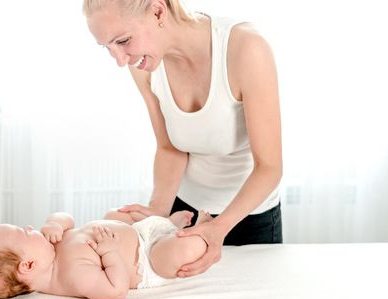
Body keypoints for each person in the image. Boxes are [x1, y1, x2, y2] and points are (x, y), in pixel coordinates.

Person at [83, 0, 283, 278]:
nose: (120, 60)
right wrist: (157, 211)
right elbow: (170, 149)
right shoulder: (142, 64)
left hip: (250, 215)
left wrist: (218, 227)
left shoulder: (245, 48)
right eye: (108, 48)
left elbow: (270, 168)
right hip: (185, 211)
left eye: (123, 41)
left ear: (157, 11)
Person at [0, 210, 213, 299]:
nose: (32, 228)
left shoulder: (50, 242)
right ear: (28, 265)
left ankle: (166, 224)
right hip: (148, 259)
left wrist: (55, 223)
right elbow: (115, 290)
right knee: (184, 251)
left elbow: (67, 217)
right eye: (24, 232)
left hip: (139, 231)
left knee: (114, 214)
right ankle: (186, 233)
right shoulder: (72, 275)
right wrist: (110, 253)